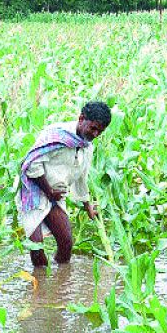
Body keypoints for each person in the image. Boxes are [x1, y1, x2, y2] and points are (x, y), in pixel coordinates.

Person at [16, 101, 111, 266]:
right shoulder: (56, 136)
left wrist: (87, 205)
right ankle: (40, 287)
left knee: (66, 243)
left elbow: (81, 177)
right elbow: (31, 164)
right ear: (81, 119)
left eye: (100, 132)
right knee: (36, 248)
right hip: (34, 191)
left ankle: (61, 282)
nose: (95, 134)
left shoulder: (86, 146)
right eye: (93, 128)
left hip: (55, 193)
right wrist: (48, 191)